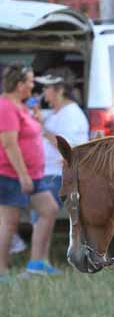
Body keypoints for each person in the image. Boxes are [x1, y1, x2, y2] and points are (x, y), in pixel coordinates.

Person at [0, 63, 60, 282]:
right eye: (31, 81)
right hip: (12, 175)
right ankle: (1, 271)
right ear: (20, 85)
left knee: (49, 209)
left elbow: (31, 134)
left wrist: (36, 119)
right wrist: (23, 175)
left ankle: (36, 264)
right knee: (9, 223)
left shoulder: (22, 106)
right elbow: (9, 144)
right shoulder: (6, 106)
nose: (33, 85)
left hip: (33, 174)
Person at [30, 68, 89, 253]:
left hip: (56, 174)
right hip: (44, 171)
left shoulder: (71, 114)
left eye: (47, 87)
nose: (42, 92)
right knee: (39, 216)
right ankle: (39, 258)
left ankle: (39, 259)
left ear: (60, 90)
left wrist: (42, 129)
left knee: (41, 216)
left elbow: (68, 149)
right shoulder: (55, 112)